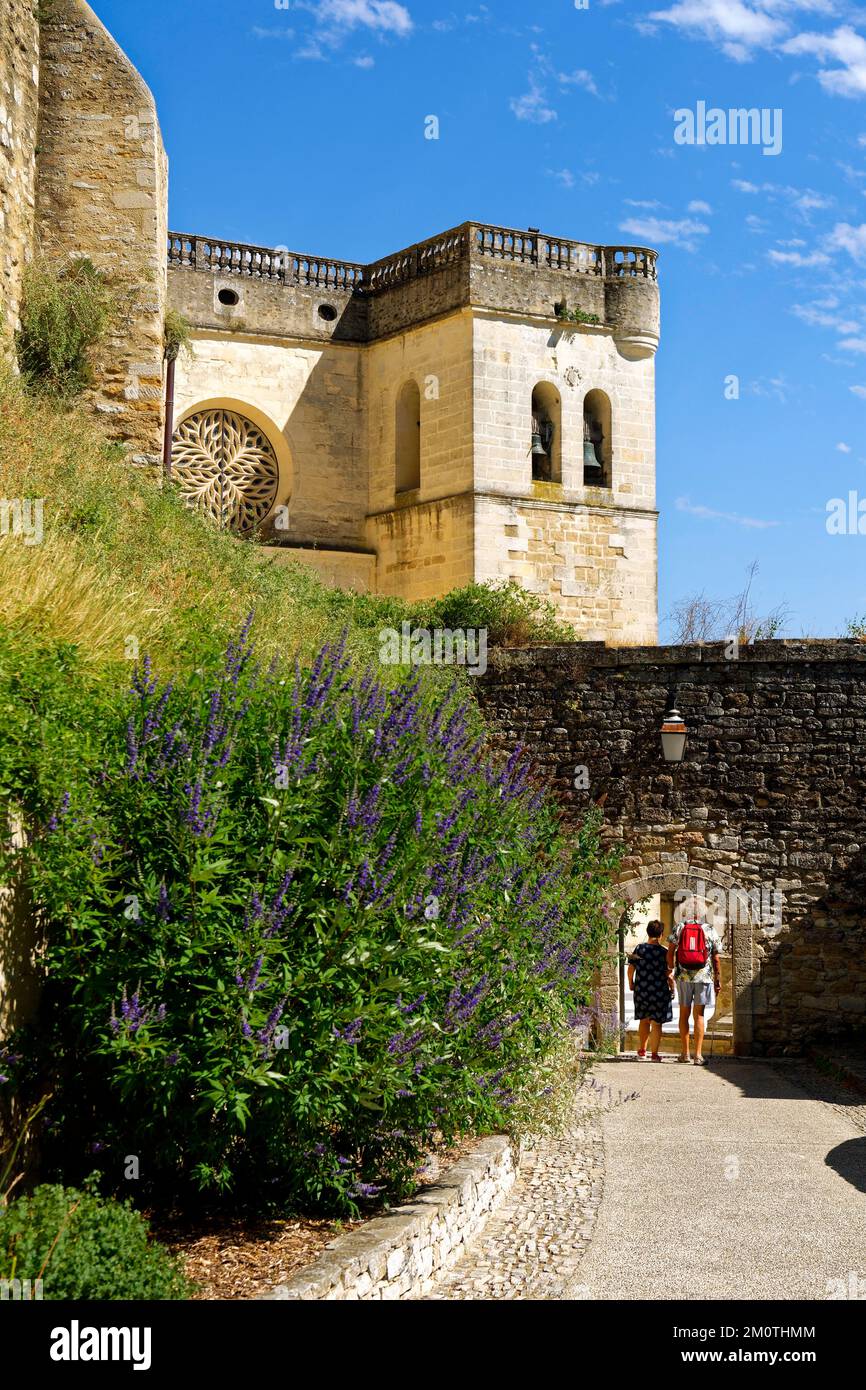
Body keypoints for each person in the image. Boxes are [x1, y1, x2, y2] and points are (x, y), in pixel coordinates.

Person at [667, 914, 723, 1066]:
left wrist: (671, 970)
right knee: (699, 1015)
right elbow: (716, 958)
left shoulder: (680, 927)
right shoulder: (710, 929)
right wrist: (717, 979)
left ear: (686, 914)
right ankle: (698, 1055)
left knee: (684, 1013)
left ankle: (685, 1054)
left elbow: (670, 952)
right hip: (703, 978)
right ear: (701, 916)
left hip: (683, 977)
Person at [627, 920, 674, 1061]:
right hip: (660, 991)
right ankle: (654, 1054)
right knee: (657, 1023)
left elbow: (630, 969)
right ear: (661, 934)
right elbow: (669, 973)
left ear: (647, 932)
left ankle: (642, 1051)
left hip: (642, 989)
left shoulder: (639, 949)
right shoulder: (664, 952)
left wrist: (631, 983)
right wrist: (672, 987)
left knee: (644, 1020)